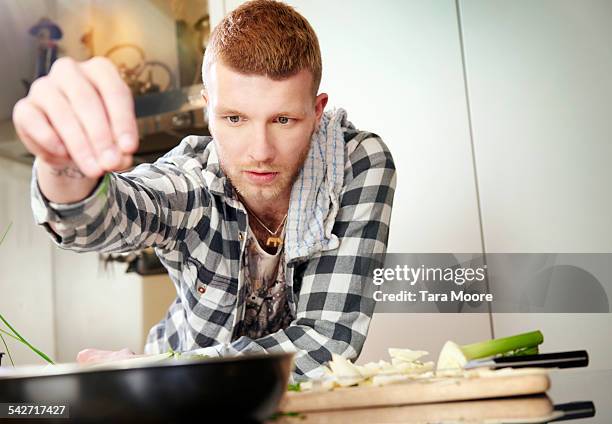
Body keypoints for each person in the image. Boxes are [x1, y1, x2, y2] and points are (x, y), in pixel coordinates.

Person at [12, 0, 396, 381]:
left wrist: (167, 368)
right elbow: (96, 220)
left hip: (189, 374)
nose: (260, 152)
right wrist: (63, 163)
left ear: (316, 112)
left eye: (283, 119)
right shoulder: (191, 178)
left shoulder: (357, 162)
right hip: (181, 391)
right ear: (208, 109)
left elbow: (325, 343)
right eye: (234, 118)